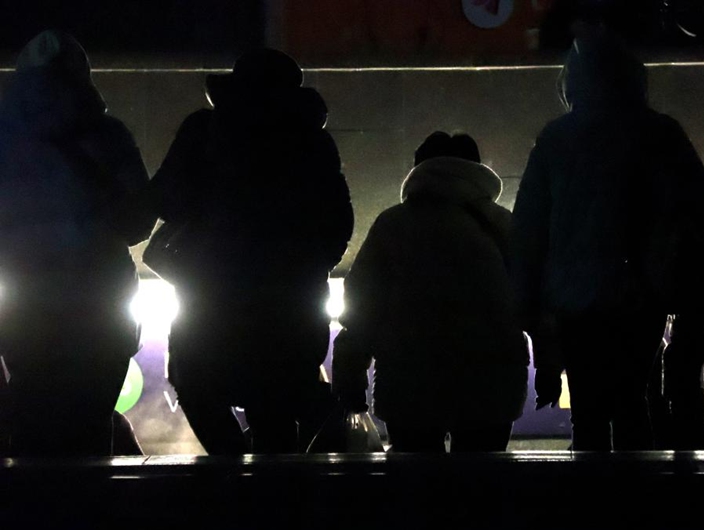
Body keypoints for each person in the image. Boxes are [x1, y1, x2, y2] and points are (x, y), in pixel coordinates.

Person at [510, 29, 704, 451]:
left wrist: (530, 309)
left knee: (588, 408)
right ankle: (636, 502)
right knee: (633, 401)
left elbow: (529, 230)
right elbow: (695, 212)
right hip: (643, 291)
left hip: (575, 297)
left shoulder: (556, 139)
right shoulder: (660, 133)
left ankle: (591, 501)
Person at [147, 48, 353, 454]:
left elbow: (165, 200)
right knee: (276, 404)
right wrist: (307, 268)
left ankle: (231, 476)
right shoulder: (311, 139)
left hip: (210, 293)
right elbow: (337, 222)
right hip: (290, 299)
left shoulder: (203, 129)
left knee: (198, 385)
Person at [0, 30, 155, 456]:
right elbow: (138, 223)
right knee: (90, 426)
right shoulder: (108, 135)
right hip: (100, 303)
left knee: (33, 421)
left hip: (23, 304)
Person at [332, 131, 529, 453]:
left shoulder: (392, 225)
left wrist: (350, 374)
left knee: (418, 487)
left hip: (409, 380)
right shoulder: (500, 224)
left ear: (417, 172)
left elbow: (361, 306)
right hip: (489, 380)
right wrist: (550, 361)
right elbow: (531, 297)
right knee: (484, 484)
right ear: (478, 173)